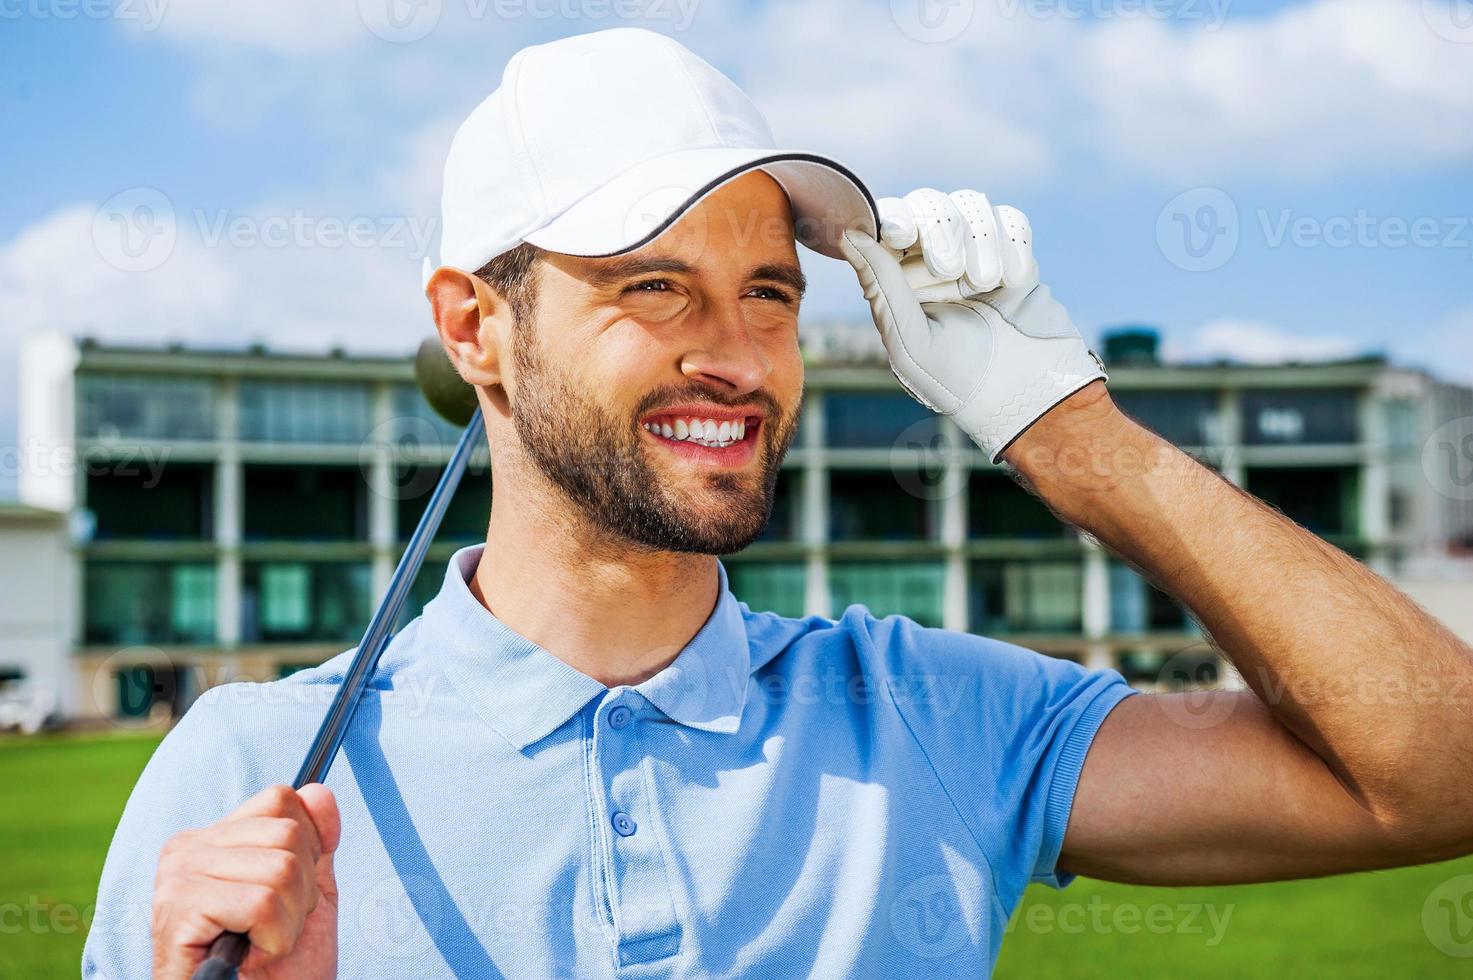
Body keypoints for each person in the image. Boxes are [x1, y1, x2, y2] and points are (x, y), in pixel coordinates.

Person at [85, 28, 1473, 980]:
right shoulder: (243, 780)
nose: (737, 358)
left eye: (770, 294)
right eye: (652, 286)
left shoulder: (933, 716)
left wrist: (1070, 434)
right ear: (472, 327)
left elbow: (1436, 769)